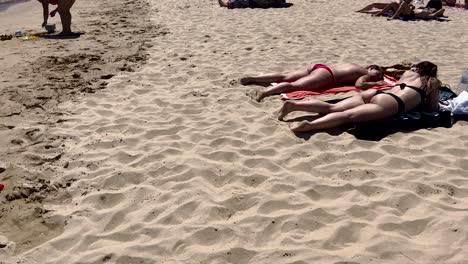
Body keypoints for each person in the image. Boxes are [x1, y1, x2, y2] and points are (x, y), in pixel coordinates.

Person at [277, 61, 441, 133]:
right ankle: (310, 126)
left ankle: (295, 105)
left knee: (333, 107)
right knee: (346, 116)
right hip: (391, 103)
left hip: (378, 93)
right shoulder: (433, 82)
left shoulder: (407, 73)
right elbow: (433, 107)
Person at [241, 63, 385, 102]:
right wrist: (375, 84)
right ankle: (264, 92)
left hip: (320, 66)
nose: (375, 77)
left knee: (285, 76)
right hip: (327, 75)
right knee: (294, 86)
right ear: (371, 68)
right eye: (376, 74)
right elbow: (359, 85)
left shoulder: (355, 65)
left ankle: (254, 78)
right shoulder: (365, 73)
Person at [218, 0, 289, 8]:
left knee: (242, 3)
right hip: (254, 3)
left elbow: (262, 4)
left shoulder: (271, 3)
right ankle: (228, 3)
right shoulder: (272, 2)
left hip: (253, 3)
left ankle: (226, 5)